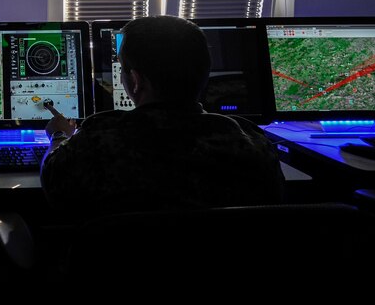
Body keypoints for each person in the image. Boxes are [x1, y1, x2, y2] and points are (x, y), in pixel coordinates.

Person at [40, 14, 284, 217]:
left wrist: (60, 135)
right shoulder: (252, 144)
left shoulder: (98, 142)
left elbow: (54, 184)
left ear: (136, 80)